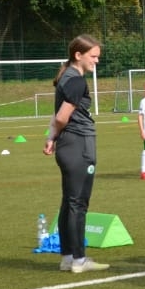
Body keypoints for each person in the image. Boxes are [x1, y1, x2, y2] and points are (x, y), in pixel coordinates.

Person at [44, 34, 108, 273]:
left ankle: (68, 257)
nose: (96, 61)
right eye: (93, 56)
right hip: (78, 144)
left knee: (69, 202)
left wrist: (52, 137)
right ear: (78, 55)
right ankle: (79, 260)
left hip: (68, 144)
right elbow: (62, 117)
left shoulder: (66, 77)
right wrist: (55, 134)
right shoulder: (76, 80)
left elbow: (57, 115)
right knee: (78, 203)